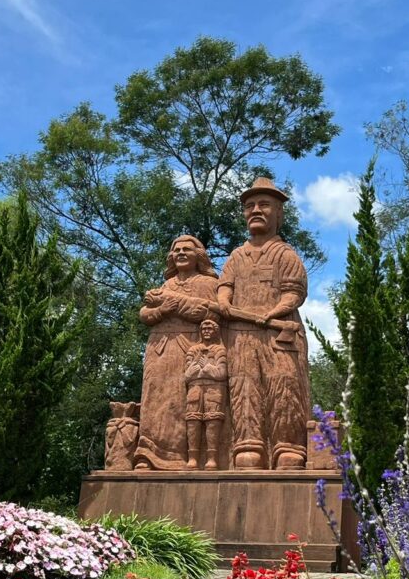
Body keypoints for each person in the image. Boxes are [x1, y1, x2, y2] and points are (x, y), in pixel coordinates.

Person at [217, 178, 312, 470]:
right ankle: (248, 447)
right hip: (241, 334)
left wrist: (272, 314)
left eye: (264, 204)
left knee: (284, 386)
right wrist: (224, 302)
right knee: (244, 388)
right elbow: (224, 287)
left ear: (279, 213)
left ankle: (288, 447)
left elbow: (294, 292)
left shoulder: (285, 254)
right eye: (249, 206)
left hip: (278, 333)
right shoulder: (236, 256)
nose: (255, 210)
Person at [134, 235, 220, 470]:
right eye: (176, 250)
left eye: (187, 250)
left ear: (198, 256)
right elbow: (145, 314)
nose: (180, 253)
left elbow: (209, 312)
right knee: (154, 397)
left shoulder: (208, 284)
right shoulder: (166, 285)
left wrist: (174, 304)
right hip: (159, 347)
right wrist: (163, 309)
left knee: (181, 401)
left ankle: (182, 457)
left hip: (188, 347)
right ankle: (148, 454)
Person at [183, 319, 228, 469]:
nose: (207, 331)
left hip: (214, 388)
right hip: (195, 387)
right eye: (204, 328)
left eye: (210, 328)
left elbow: (221, 373)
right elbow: (187, 375)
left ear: (216, 331)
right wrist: (197, 366)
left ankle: (212, 459)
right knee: (192, 420)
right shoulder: (193, 350)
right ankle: (193, 458)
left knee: (213, 420)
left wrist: (206, 367)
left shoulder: (220, 350)